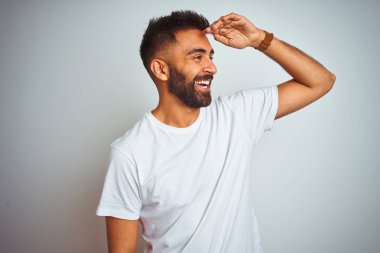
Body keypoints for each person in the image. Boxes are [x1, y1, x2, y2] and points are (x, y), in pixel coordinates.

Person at [96, 10, 335, 253]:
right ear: (161, 70)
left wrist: (259, 39)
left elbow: (321, 81)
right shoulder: (129, 153)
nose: (212, 67)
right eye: (197, 57)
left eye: (210, 56)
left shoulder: (237, 115)